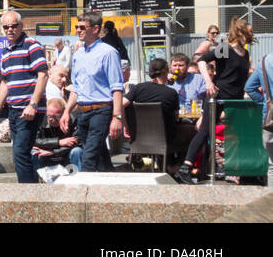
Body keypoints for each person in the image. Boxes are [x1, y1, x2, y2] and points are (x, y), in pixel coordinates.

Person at [178, 18, 254, 183]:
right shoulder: (225, 49)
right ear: (240, 32)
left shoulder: (245, 53)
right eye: (249, 30)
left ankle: (234, 170)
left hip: (235, 99)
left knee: (237, 134)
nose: (251, 33)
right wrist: (208, 82)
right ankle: (185, 167)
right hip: (218, 96)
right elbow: (202, 60)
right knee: (206, 130)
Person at [0, 10, 49, 184]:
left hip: (29, 110)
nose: (10, 30)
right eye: (6, 27)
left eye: (13, 26)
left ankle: (27, 195)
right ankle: (32, 191)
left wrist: (33, 105)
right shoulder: (6, 52)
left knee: (20, 152)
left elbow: (43, 75)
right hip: (14, 110)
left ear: (21, 26)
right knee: (20, 153)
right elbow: (5, 84)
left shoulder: (32, 45)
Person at [60, 11, 124, 173]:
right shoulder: (78, 54)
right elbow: (76, 87)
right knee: (100, 154)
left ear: (95, 29)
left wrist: (117, 117)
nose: (78, 30)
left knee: (88, 155)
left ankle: (84, 191)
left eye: (82, 27)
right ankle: (110, 182)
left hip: (101, 110)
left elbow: (117, 87)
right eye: (76, 27)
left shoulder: (108, 52)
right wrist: (67, 111)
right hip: (82, 111)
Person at [123, 57, 189, 175]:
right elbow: (176, 117)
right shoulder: (171, 93)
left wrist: (125, 125)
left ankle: (167, 164)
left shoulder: (138, 88)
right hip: (165, 138)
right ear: (165, 72)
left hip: (138, 137)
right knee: (193, 133)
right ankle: (176, 166)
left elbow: (122, 104)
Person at [33, 97, 82, 172]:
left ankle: (78, 180)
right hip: (46, 155)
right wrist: (58, 142)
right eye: (49, 116)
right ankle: (35, 181)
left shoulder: (73, 120)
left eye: (56, 116)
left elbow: (77, 142)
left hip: (66, 155)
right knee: (33, 152)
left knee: (77, 151)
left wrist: (53, 152)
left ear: (64, 113)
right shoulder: (42, 119)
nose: (51, 119)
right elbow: (34, 140)